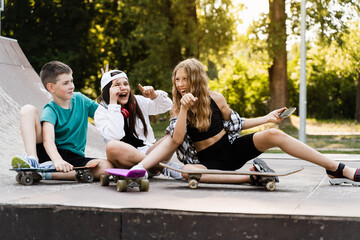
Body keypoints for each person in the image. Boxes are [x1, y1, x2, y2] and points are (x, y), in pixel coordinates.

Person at [132, 58, 360, 185]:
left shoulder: (216, 99)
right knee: (187, 171)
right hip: (209, 163)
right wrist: (183, 109)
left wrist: (267, 118)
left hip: (231, 151)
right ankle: (252, 176)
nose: (180, 84)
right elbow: (177, 138)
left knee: (275, 135)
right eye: (177, 79)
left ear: (196, 79)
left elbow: (236, 124)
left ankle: (337, 169)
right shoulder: (177, 108)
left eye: (185, 78)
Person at [11, 61, 113, 180]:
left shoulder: (81, 100)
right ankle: (33, 159)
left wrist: (107, 90)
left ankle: (46, 173)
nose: (71, 86)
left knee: (106, 167)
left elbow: (105, 114)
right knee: (28, 110)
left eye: (71, 81)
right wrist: (57, 160)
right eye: (65, 83)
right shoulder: (51, 109)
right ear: (51, 87)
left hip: (73, 157)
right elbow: (47, 139)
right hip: (47, 152)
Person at [94, 67, 182, 179]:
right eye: (116, 85)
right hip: (125, 164)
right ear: (107, 90)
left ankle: (152, 166)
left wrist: (154, 95)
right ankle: (164, 168)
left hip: (149, 154)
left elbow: (167, 106)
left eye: (126, 84)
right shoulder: (101, 112)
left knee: (175, 133)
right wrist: (113, 104)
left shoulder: (138, 101)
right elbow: (116, 135)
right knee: (112, 146)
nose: (123, 88)